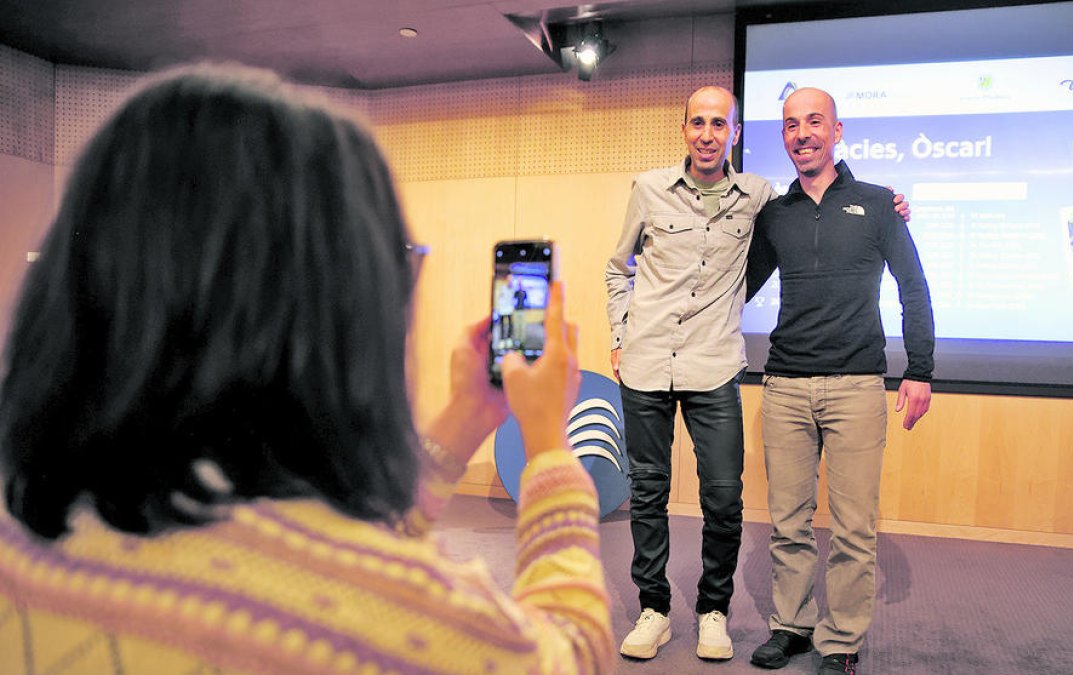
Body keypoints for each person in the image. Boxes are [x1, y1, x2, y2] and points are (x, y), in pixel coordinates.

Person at [0, 64, 614, 675]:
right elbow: (573, 653)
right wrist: (547, 446)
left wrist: (466, 417)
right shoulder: (394, 618)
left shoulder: (25, 531)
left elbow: (335, 535)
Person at [604, 85, 909, 662]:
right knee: (648, 492)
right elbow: (618, 269)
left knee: (725, 497)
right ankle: (655, 610)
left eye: (720, 123)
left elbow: (820, 209)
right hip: (647, 362)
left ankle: (713, 611)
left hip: (715, 364)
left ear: (735, 134)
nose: (707, 134)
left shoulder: (760, 197)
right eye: (698, 122)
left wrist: (889, 204)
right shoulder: (647, 189)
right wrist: (619, 336)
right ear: (684, 128)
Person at [744, 87, 934, 675]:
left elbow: (913, 287)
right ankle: (792, 626)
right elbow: (734, 289)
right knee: (788, 524)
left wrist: (920, 369)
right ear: (783, 135)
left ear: (837, 130)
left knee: (853, 530)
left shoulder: (879, 204)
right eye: (791, 124)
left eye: (814, 122)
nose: (802, 133)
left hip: (857, 387)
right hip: (784, 387)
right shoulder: (774, 214)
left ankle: (841, 641)